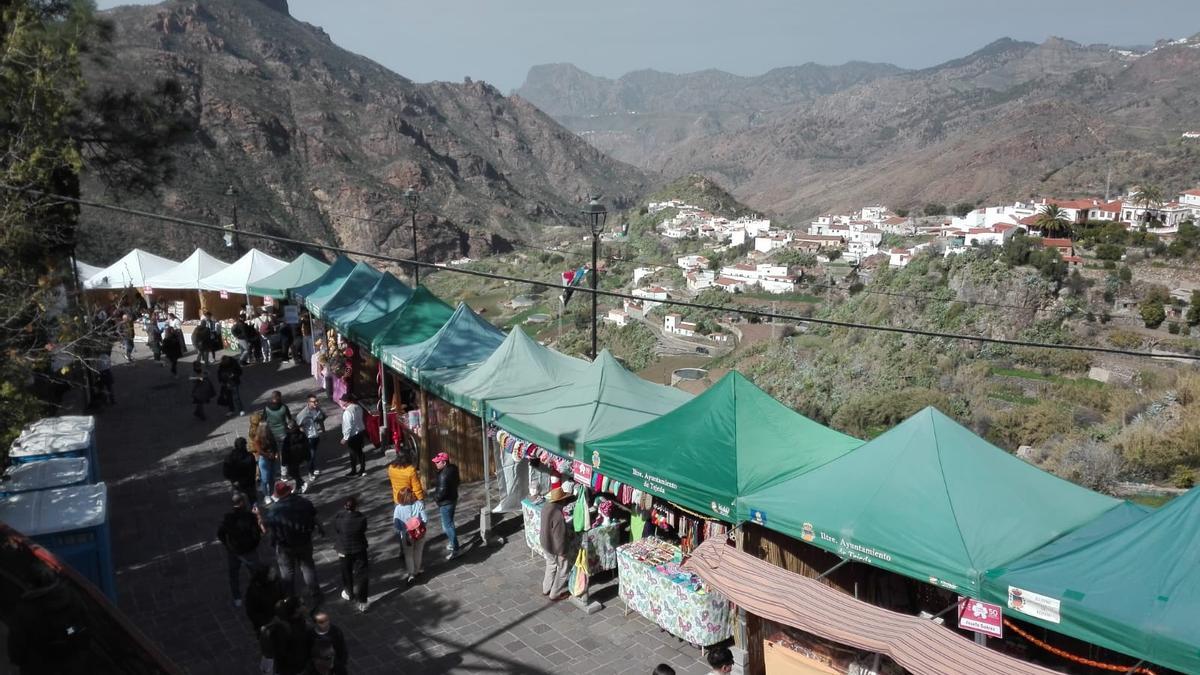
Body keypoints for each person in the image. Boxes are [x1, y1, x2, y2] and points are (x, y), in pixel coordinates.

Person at [6, 563, 90, 674]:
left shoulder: (25, 610)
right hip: (71, 660)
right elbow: (83, 622)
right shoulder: (72, 596)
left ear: (30, 584)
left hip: (39, 665)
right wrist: (68, 632)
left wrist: (17, 661)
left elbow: (17, 642)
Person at [264, 481, 324, 607]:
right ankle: (316, 595)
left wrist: (272, 543)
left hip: (284, 547)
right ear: (289, 491)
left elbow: (272, 531)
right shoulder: (304, 502)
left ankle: (290, 598)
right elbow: (315, 517)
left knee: (287, 573)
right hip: (304, 542)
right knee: (308, 569)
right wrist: (320, 528)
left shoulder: (274, 510)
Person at [216, 493, 263, 607]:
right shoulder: (250, 517)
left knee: (234, 575)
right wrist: (253, 545)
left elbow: (220, 533)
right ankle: (258, 595)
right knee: (256, 574)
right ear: (242, 503)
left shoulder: (228, 518)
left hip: (234, 552)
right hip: (249, 551)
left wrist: (228, 545)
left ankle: (237, 597)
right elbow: (257, 535)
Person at [332, 496, 369, 612]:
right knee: (362, 574)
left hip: (343, 549)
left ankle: (349, 592)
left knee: (346, 571)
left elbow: (337, 529)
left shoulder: (339, 518)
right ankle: (362, 600)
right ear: (356, 507)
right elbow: (363, 530)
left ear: (345, 507)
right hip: (359, 549)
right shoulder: (361, 518)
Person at [260, 597, 312, 675]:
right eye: (303, 604)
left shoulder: (300, 619)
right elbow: (282, 653)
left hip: (300, 665)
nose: (305, 605)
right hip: (291, 669)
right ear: (296, 609)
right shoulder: (284, 629)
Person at [539, 485, 572, 601]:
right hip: (554, 546)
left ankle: (546, 588)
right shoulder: (558, 515)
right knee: (563, 569)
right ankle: (555, 593)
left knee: (551, 564)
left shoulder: (545, 507)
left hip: (544, 542)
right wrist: (562, 552)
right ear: (561, 500)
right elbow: (559, 537)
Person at [392, 487, 427, 584]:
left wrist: (403, 529)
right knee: (418, 552)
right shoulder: (419, 504)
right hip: (419, 533)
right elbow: (425, 519)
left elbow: (396, 524)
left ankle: (411, 574)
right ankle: (417, 570)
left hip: (406, 535)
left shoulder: (398, 508)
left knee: (408, 555)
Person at [432, 452, 461, 560]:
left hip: (445, 503)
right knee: (449, 523)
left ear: (444, 462)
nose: (436, 464)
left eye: (437, 462)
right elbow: (457, 482)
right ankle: (452, 543)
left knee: (447, 526)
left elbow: (441, 492)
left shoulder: (443, 475)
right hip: (453, 499)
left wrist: (435, 497)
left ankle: (456, 549)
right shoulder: (453, 469)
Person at [244, 565, 284, 641]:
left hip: (278, 617)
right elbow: (252, 612)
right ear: (265, 576)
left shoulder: (276, 582)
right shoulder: (254, 591)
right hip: (265, 622)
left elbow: (282, 596)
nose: (274, 573)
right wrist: (267, 622)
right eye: (271, 573)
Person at [249, 413, 279, 503]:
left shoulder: (270, 435)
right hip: (265, 459)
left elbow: (275, 445)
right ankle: (266, 495)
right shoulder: (257, 438)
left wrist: (276, 453)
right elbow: (259, 451)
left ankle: (272, 493)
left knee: (272, 478)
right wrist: (268, 455)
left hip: (272, 457)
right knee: (265, 479)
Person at [296, 395, 326, 479]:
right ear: (309, 402)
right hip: (309, 437)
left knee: (314, 453)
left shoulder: (318, 410)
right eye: (314, 401)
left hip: (316, 435)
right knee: (311, 456)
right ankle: (310, 473)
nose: (316, 403)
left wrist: (323, 432)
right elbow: (299, 426)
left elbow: (321, 420)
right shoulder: (303, 414)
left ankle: (312, 467)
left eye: (317, 401)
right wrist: (303, 437)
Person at [339, 392, 367, 477]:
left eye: (343, 400)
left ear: (347, 401)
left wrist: (345, 438)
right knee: (360, 452)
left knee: (353, 454)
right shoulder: (358, 407)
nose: (341, 402)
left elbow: (348, 426)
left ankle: (354, 470)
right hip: (360, 432)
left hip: (353, 435)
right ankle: (362, 469)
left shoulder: (347, 412)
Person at [223, 436, 258, 503]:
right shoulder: (250, 456)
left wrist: (233, 480)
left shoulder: (229, 458)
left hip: (237, 484)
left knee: (238, 502)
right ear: (244, 445)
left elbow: (226, 472)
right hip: (249, 484)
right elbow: (253, 470)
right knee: (253, 502)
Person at [282, 427, 311, 494]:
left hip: (291, 457)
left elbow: (284, 451)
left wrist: (284, 462)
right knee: (296, 472)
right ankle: (298, 487)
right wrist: (307, 457)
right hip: (299, 457)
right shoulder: (302, 435)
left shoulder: (288, 438)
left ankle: (302, 482)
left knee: (292, 472)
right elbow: (307, 446)